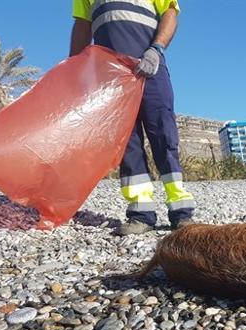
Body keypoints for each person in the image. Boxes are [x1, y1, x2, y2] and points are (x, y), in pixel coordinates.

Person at [70, 0, 196, 235]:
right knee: (127, 142)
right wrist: (74, 68)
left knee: (164, 136)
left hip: (150, 69)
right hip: (111, 76)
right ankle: (141, 214)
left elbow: (170, 13)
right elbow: (82, 27)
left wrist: (156, 49)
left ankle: (181, 212)